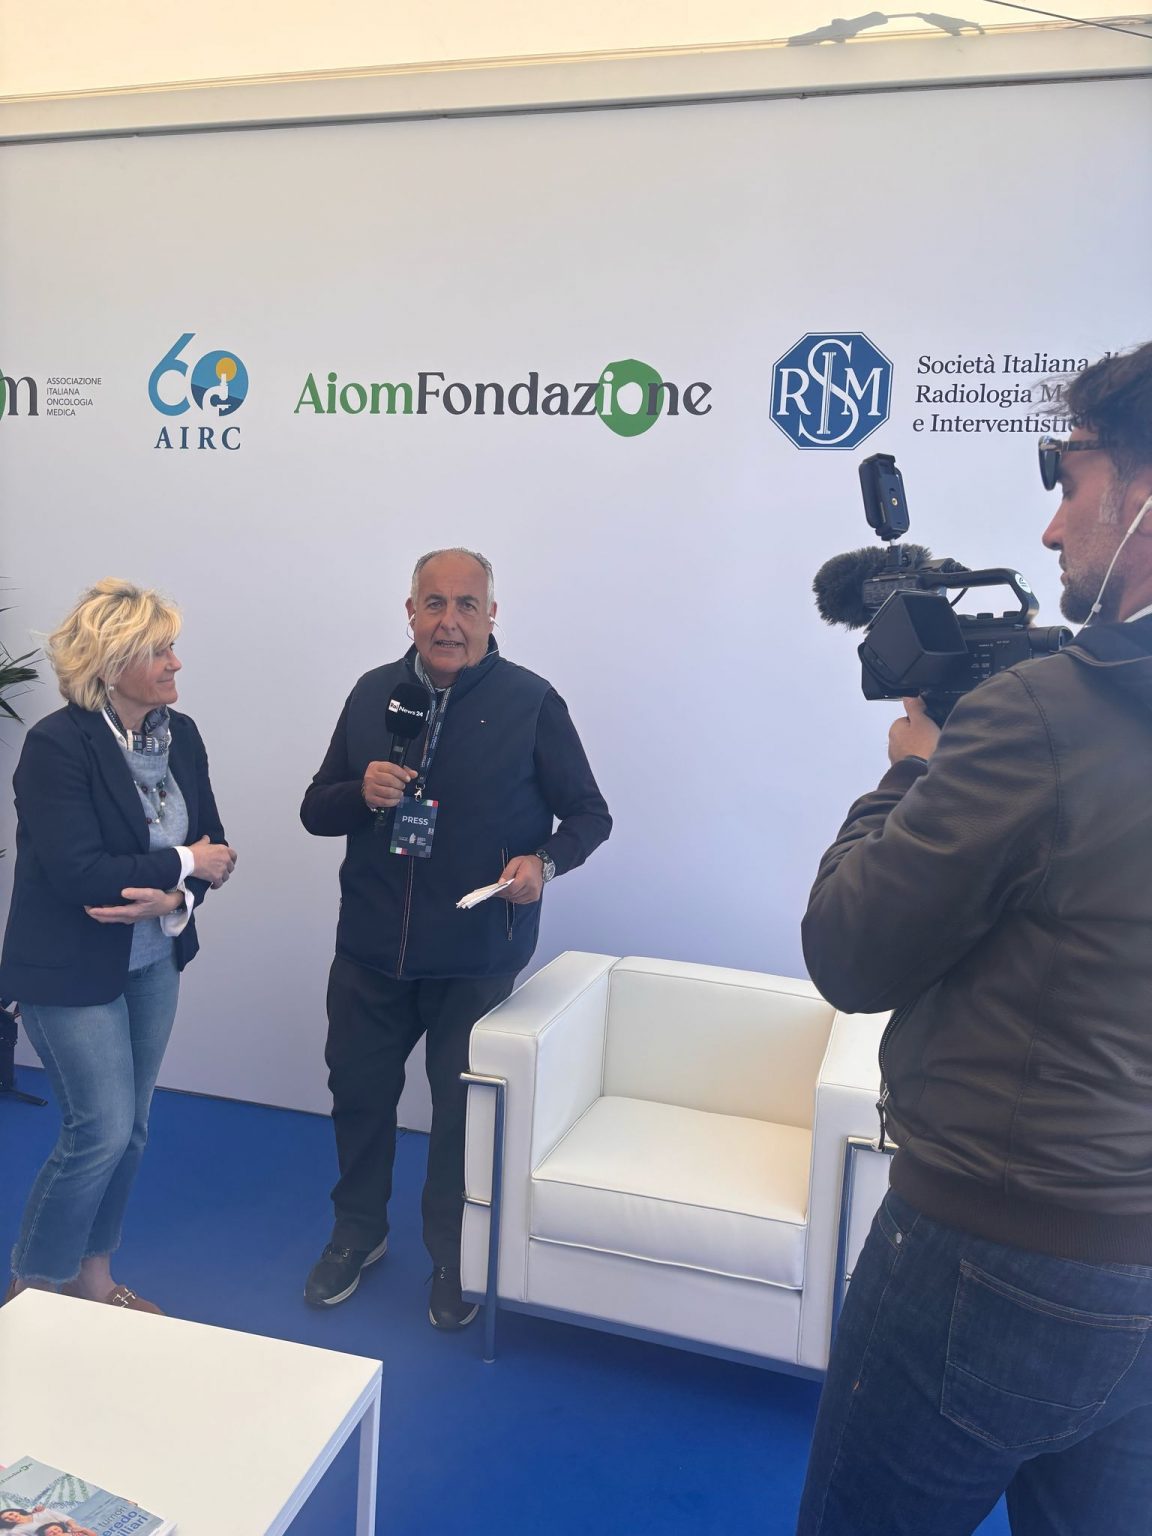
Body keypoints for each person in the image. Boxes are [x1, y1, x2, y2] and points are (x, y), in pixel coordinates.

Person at [796, 342, 1152, 1535]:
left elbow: (850, 952)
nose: (1050, 529)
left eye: (1072, 481)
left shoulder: (1042, 717)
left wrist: (909, 773)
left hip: (995, 1252)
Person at [301, 547, 611, 1328]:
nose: (449, 622)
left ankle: (455, 1254)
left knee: (460, 1117)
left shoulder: (531, 702)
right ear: (410, 612)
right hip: (371, 950)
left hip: (474, 955)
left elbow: (589, 815)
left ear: (491, 615)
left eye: (466, 605)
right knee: (358, 1097)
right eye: (434, 604)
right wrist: (358, 791)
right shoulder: (373, 693)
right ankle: (358, 1232)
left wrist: (543, 862)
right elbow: (316, 808)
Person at [1, 579, 236, 1313]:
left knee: (130, 1131)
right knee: (96, 1131)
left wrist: (179, 895)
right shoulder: (56, 746)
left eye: (172, 647)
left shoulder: (181, 734)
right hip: (68, 969)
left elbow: (217, 850)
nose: (175, 663)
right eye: (158, 651)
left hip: (153, 960)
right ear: (109, 664)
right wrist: (184, 863)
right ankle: (32, 1294)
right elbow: (82, 874)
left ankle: (93, 1280)